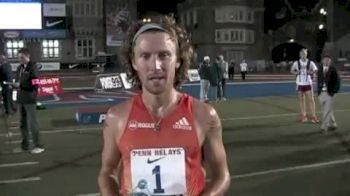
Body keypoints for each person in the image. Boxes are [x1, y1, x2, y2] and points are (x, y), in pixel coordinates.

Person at [98, 16, 230, 196]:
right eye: (145, 56)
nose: (155, 66)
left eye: (164, 55)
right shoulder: (116, 118)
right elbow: (107, 172)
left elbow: (222, 176)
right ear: (134, 62)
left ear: (178, 60)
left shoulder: (205, 115)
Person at [15, 48, 44, 154]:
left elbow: (35, 83)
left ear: (28, 56)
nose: (20, 59)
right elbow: (17, 80)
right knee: (22, 123)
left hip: (30, 98)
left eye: (21, 57)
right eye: (19, 57)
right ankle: (25, 145)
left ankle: (39, 145)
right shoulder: (19, 68)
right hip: (20, 98)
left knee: (33, 123)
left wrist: (21, 85)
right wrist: (15, 84)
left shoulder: (33, 67)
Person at [290, 48, 319, 123]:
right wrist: (296, 73)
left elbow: (316, 70)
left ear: (307, 54)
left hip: (308, 83)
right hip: (299, 83)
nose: (303, 55)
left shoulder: (310, 62)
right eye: (302, 53)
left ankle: (313, 116)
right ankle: (304, 116)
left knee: (311, 99)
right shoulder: (296, 63)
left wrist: (311, 72)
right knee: (301, 100)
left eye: (305, 53)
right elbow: (291, 70)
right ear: (300, 54)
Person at [316, 54, 340, 133]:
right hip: (321, 94)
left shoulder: (333, 70)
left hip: (330, 94)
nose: (326, 61)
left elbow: (338, 82)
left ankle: (324, 127)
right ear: (322, 61)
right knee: (326, 111)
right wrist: (318, 91)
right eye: (325, 59)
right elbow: (318, 81)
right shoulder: (319, 69)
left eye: (328, 59)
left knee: (326, 112)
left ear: (330, 61)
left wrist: (334, 92)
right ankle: (333, 124)